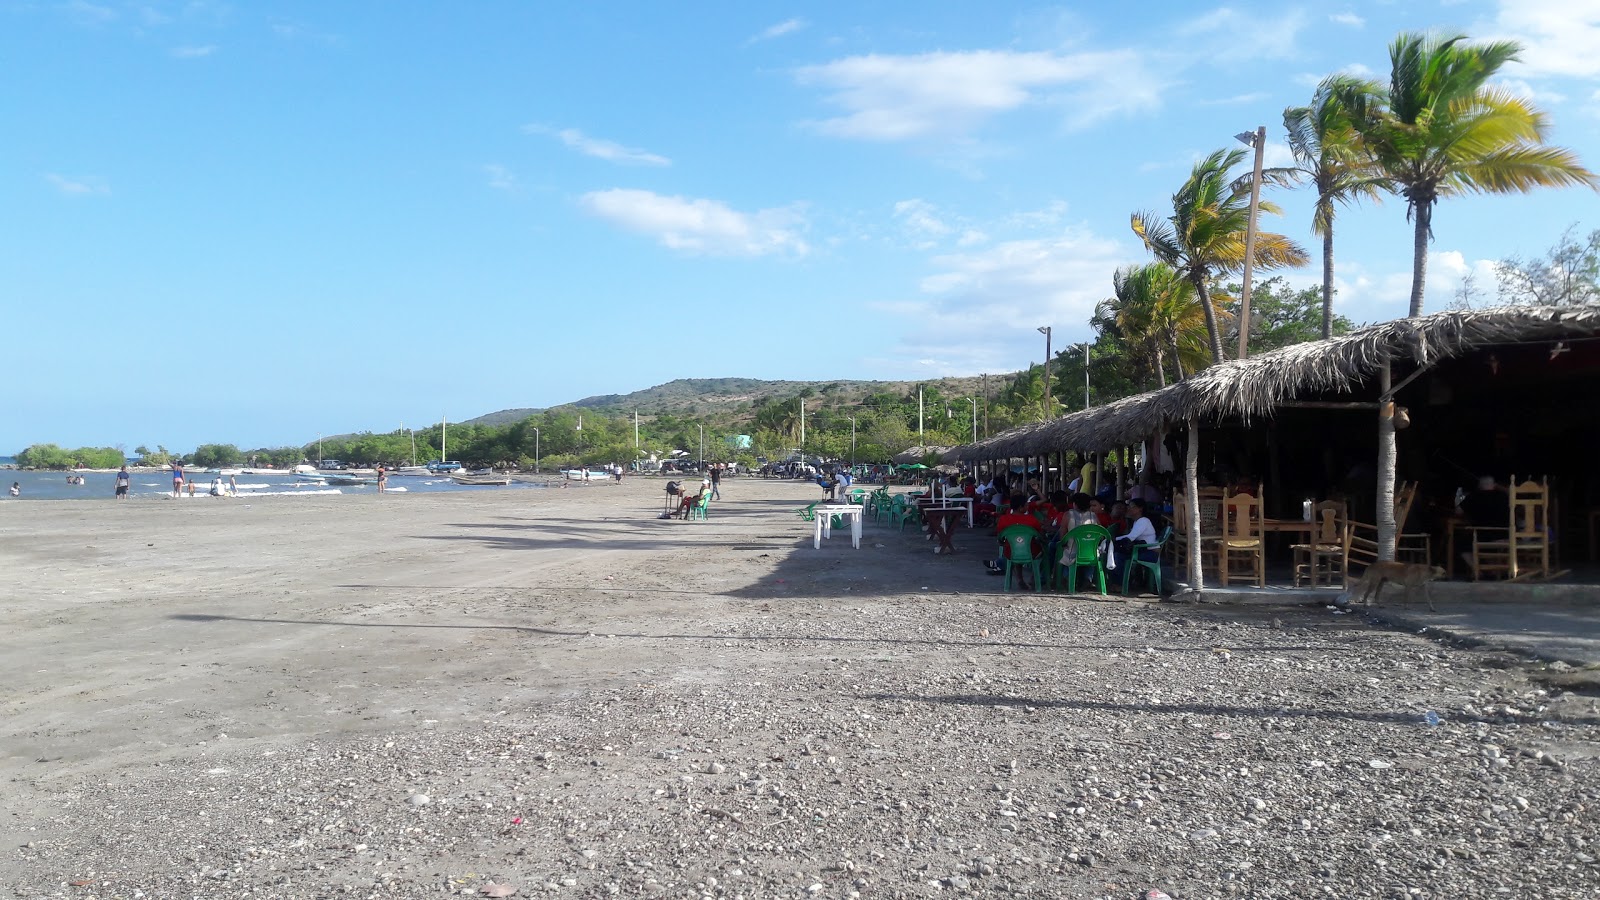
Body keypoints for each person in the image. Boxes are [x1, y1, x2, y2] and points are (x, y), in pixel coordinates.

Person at [984, 495, 1043, 584]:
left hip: (1011, 552)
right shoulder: (1032, 519)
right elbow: (1040, 535)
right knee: (1045, 552)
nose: (1028, 507)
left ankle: (1020, 579)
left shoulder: (1003, 519)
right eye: (1026, 505)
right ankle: (1034, 578)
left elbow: (1000, 538)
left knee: (1016, 548)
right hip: (1032, 552)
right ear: (1020, 507)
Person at [1113, 498, 1161, 586]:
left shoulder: (1143, 521)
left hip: (1150, 553)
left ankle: (1121, 584)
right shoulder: (1137, 521)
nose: (1129, 509)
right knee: (1119, 553)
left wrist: (1114, 539)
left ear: (1140, 509)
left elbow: (1131, 537)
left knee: (1119, 556)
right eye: (1129, 507)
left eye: (1132, 507)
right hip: (1143, 550)